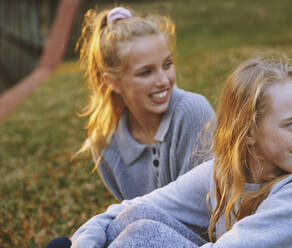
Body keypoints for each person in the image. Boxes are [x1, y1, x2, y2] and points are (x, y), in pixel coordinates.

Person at [69, 56, 292, 248]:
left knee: (140, 236)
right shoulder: (225, 172)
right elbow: (139, 206)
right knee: (132, 219)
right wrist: (85, 240)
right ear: (248, 131)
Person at [45, 6, 214, 248]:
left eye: (167, 64)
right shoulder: (106, 142)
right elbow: (129, 211)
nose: (164, 80)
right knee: (60, 245)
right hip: (142, 232)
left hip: (200, 239)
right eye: (146, 72)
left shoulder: (192, 111)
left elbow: (205, 214)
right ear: (112, 81)